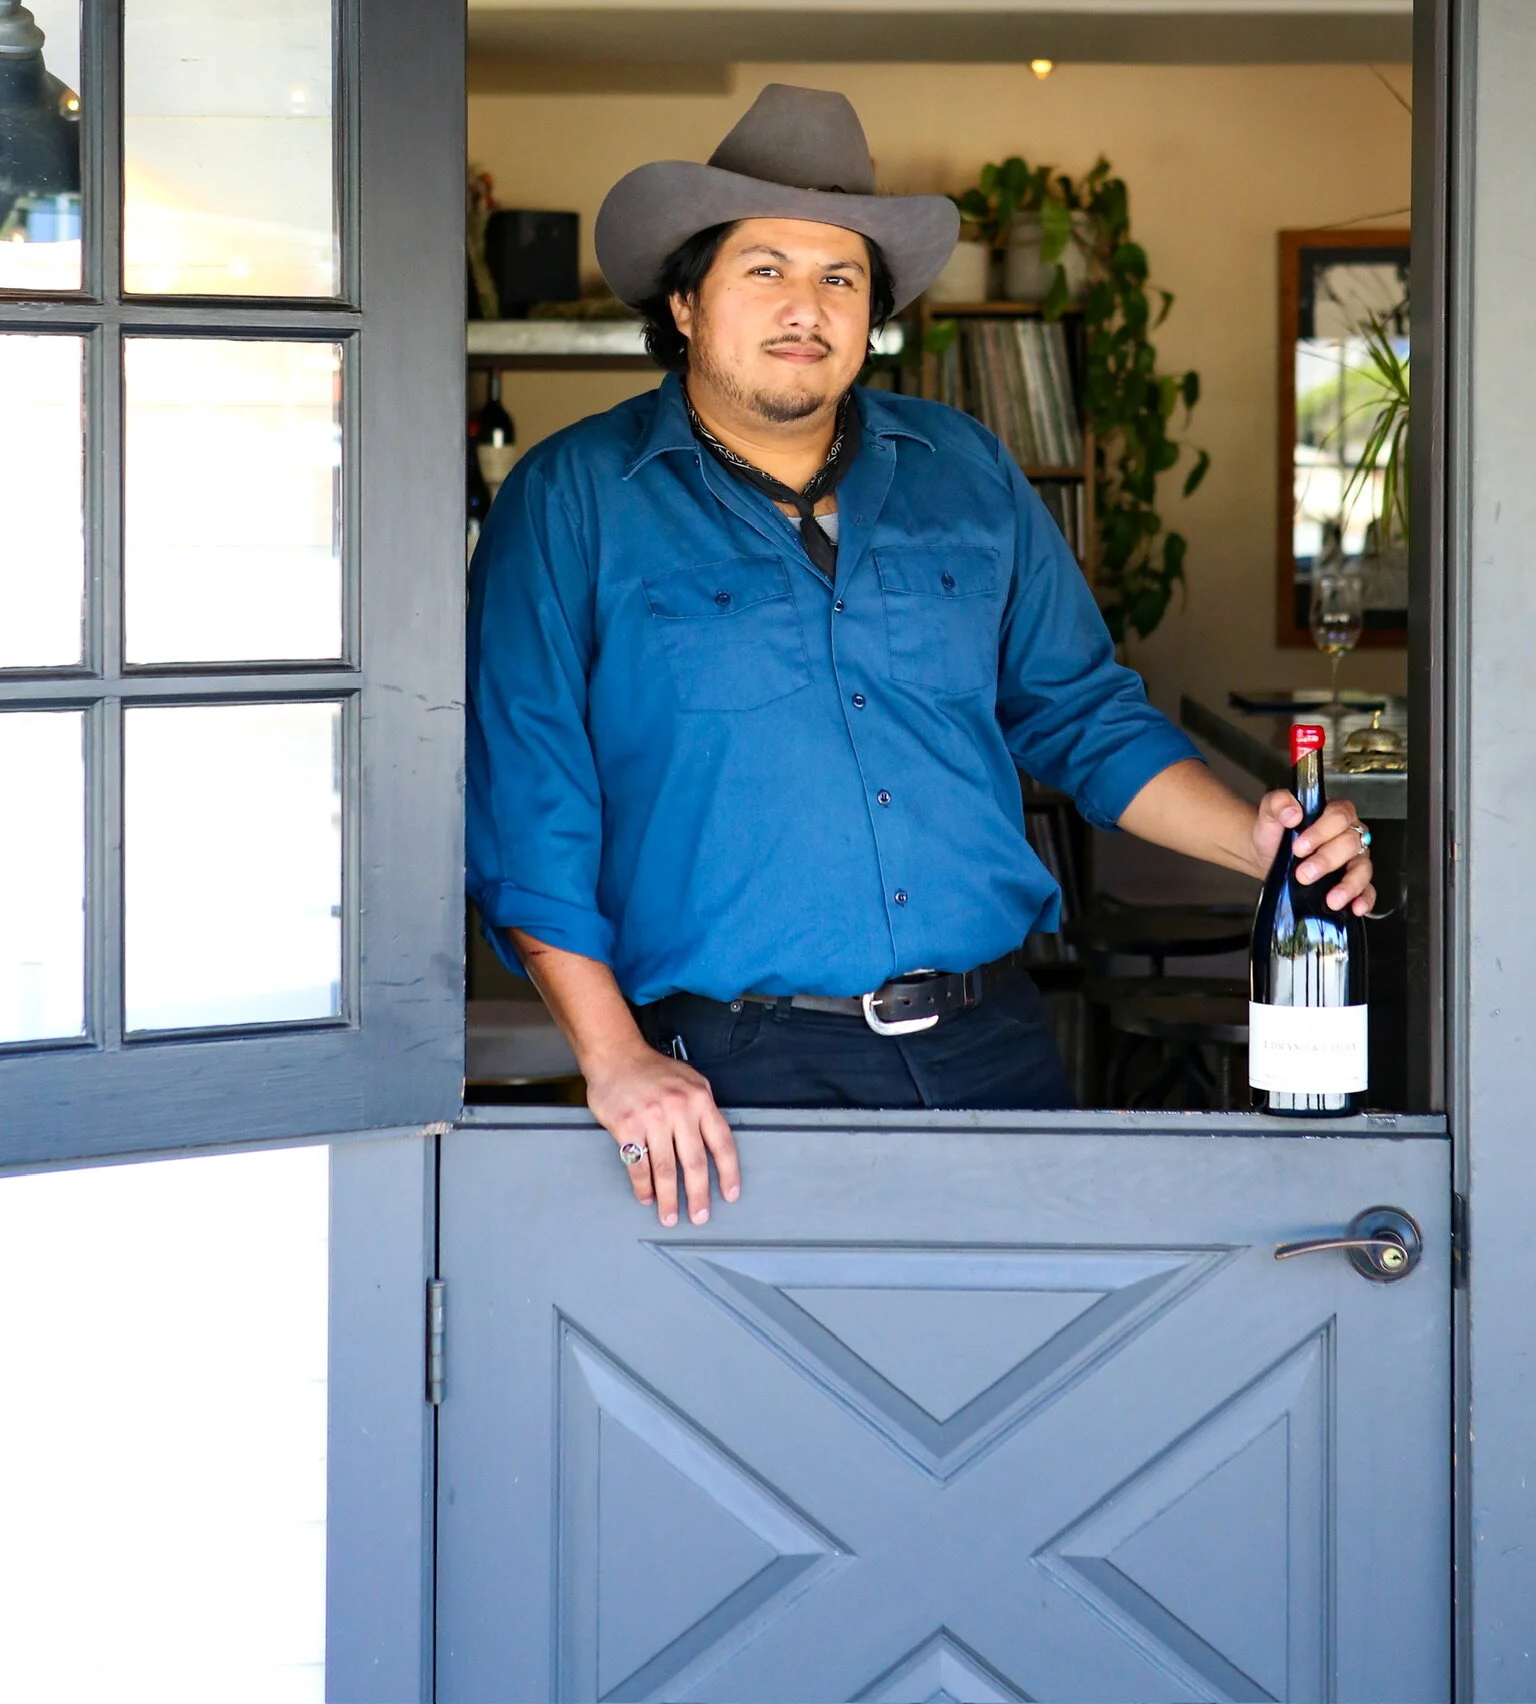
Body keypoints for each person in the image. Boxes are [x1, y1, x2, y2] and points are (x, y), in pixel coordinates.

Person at [466, 83, 1375, 1229]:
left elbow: (1078, 712)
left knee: (1035, 1383)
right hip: (729, 1079)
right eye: (766, 269)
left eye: (841, 277)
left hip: (994, 1048)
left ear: (872, 312)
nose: (807, 306)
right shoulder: (572, 500)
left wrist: (1253, 839)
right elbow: (528, 809)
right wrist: (613, 1057)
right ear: (687, 302)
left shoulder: (966, 470)